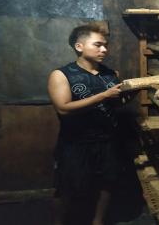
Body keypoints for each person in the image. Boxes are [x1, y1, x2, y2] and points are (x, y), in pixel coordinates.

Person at [47, 24, 133, 225]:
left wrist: (129, 96)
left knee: (107, 183)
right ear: (79, 46)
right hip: (76, 143)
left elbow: (116, 104)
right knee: (68, 188)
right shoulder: (61, 75)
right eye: (98, 45)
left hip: (108, 141)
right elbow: (63, 108)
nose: (104, 49)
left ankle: (98, 221)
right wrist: (104, 95)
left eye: (105, 45)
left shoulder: (111, 74)